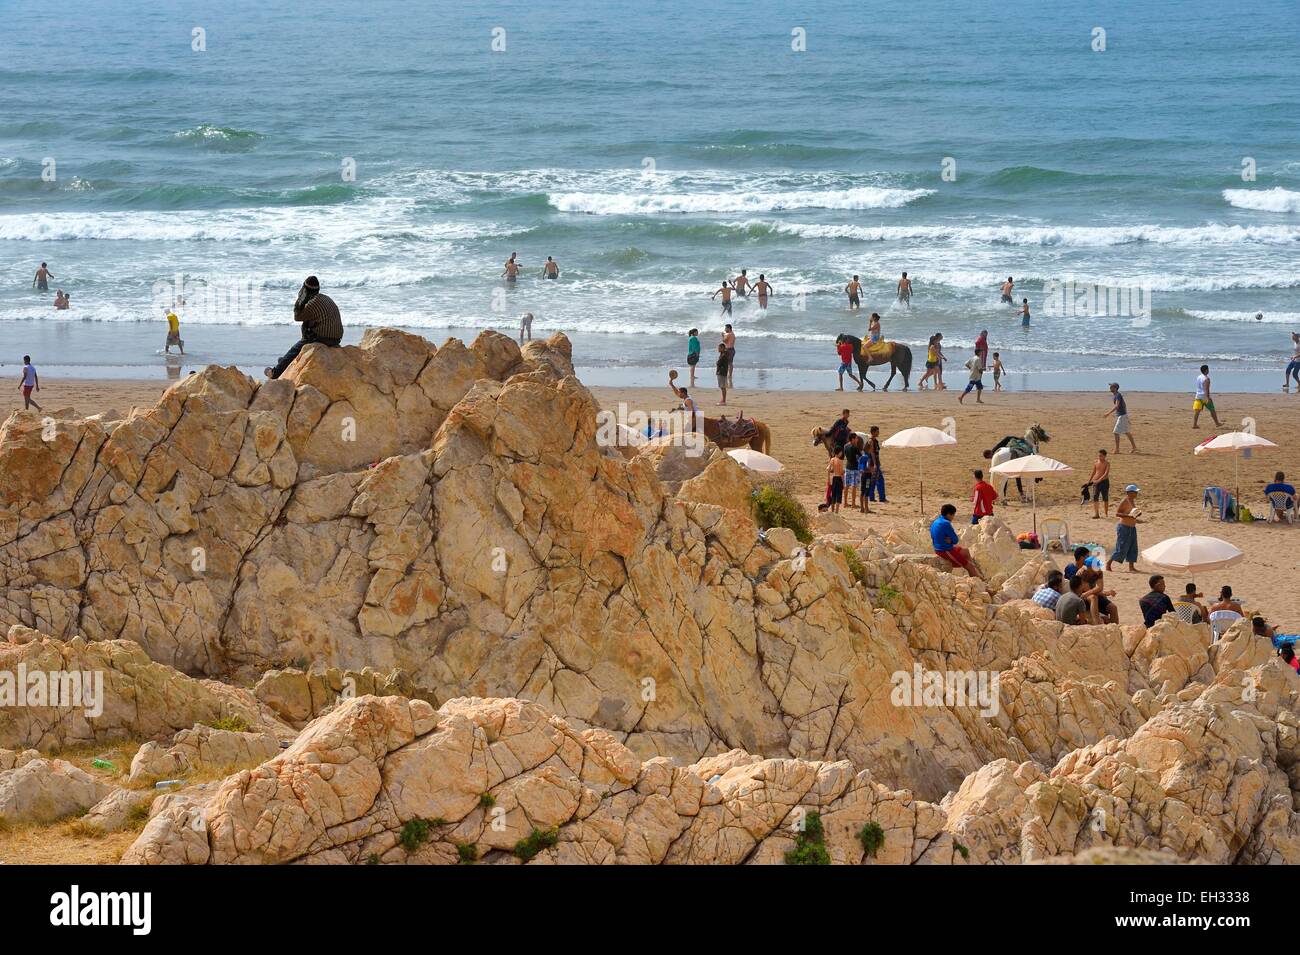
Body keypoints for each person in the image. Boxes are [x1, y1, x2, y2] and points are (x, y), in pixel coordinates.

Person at [264, 276, 343, 379]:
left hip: (325, 338)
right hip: (336, 338)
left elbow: (297, 317)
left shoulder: (312, 304)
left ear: (305, 290)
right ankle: (287, 361)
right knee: (308, 325)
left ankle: (275, 372)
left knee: (297, 347)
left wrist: (300, 299)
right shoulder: (325, 297)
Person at [931, 503, 983, 579]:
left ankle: (977, 574)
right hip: (945, 550)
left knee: (965, 551)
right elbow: (955, 540)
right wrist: (951, 540)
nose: (953, 517)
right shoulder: (946, 524)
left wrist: (950, 540)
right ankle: (980, 583)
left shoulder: (936, 521)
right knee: (969, 566)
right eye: (953, 515)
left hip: (939, 548)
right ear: (949, 514)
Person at [1107, 484, 1144, 573]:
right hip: (1124, 528)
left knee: (1133, 547)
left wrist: (1137, 515)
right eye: (1135, 492)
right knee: (1121, 548)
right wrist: (1129, 516)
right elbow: (1117, 513)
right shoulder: (1125, 501)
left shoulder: (1132, 501)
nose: (1136, 493)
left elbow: (1131, 515)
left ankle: (1131, 567)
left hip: (1132, 527)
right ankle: (1108, 564)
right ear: (1129, 492)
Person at [1104, 382, 1136, 453]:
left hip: (1122, 416)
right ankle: (1134, 447)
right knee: (1127, 432)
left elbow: (1117, 406)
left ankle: (1117, 449)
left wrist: (1108, 413)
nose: (1110, 388)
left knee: (1116, 432)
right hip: (1123, 415)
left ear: (1115, 388)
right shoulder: (1116, 395)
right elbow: (1124, 405)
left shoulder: (1118, 395)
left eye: (1111, 387)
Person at [1084, 449, 1111, 519]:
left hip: (1104, 482)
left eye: (1101, 456)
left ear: (1105, 456)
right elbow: (1094, 472)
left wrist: (1099, 480)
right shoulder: (1096, 462)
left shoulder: (1107, 463)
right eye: (1099, 456)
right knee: (1095, 497)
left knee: (1105, 497)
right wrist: (1089, 480)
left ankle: (1106, 513)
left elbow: (1106, 474)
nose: (1099, 457)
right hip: (1096, 482)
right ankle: (1096, 514)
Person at [1193, 364, 1221, 428]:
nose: (1209, 370)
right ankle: (1217, 423)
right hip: (1204, 397)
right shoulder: (1206, 379)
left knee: (1197, 411)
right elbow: (1206, 389)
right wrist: (1208, 398)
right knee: (1212, 410)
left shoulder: (1199, 377)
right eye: (1208, 369)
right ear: (1206, 370)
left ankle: (1194, 424)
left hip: (1198, 396)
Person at [865, 425, 886, 503]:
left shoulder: (873, 440)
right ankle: (882, 498)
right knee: (880, 480)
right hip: (873, 463)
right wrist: (875, 464)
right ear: (873, 432)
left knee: (872, 480)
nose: (878, 433)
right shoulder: (871, 441)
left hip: (872, 463)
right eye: (877, 431)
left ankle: (871, 497)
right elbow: (872, 453)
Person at [843, 433, 862, 509]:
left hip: (847, 467)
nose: (857, 440)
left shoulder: (845, 446)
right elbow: (860, 457)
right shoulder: (855, 447)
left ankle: (845, 503)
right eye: (856, 438)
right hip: (854, 468)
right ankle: (853, 504)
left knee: (846, 486)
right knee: (854, 486)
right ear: (853, 439)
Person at [721, 324, 736, 388]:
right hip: (732, 349)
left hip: (728, 349)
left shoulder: (729, 334)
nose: (725, 329)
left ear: (729, 328)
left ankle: (728, 375)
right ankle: (729, 375)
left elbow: (724, 341)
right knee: (730, 363)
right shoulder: (732, 334)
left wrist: (722, 336)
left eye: (726, 328)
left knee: (728, 363)